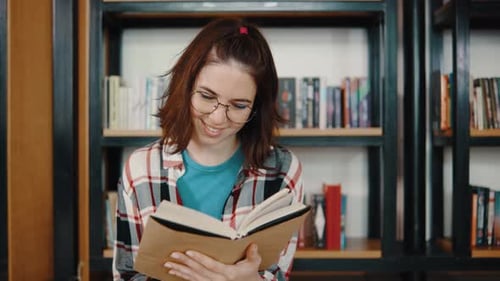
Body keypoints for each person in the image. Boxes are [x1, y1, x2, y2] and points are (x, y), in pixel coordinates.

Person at [112, 17, 304, 281]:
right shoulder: (140, 169)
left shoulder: (282, 171)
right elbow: (126, 274)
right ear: (185, 86)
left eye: (238, 106)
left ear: (256, 108)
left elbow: (280, 273)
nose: (217, 119)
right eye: (206, 96)